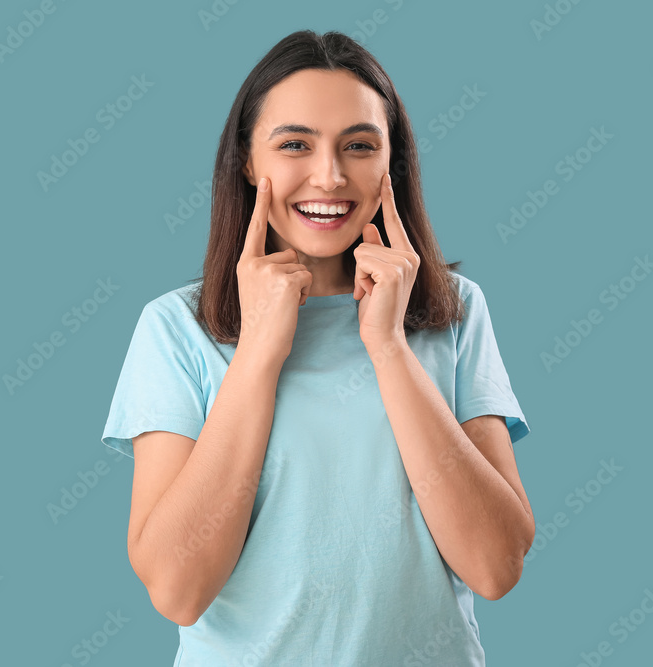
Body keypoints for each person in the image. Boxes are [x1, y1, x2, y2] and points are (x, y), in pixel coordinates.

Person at [101, 29, 534, 666]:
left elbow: (496, 567)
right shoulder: (175, 328)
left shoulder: (455, 312)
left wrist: (387, 347)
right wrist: (257, 355)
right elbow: (178, 589)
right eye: (295, 144)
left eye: (359, 146)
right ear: (249, 162)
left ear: (393, 162)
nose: (329, 176)